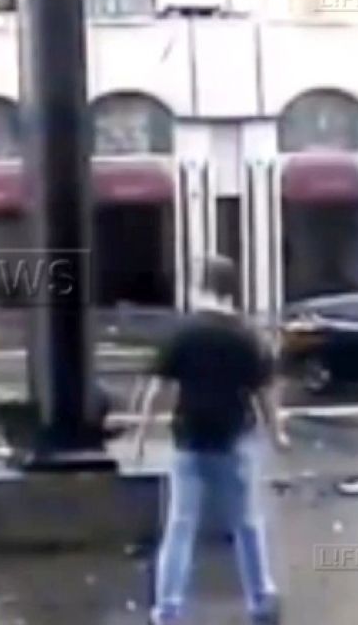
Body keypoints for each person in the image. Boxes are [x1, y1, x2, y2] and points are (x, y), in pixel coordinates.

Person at [133, 256, 290, 625]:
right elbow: (264, 394)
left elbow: (158, 389)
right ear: (232, 291)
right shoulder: (246, 336)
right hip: (234, 438)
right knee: (246, 523)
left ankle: (168, 608)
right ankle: (260, 599)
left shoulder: (183, 333)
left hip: (189, 439)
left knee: (180, 526)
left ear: (201, 288)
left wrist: (141, 433)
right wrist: (276, 433)